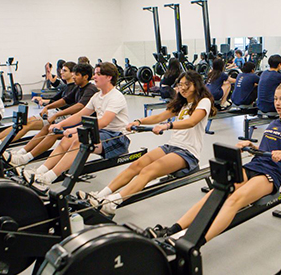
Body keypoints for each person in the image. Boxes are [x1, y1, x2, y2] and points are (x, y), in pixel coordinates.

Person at [147, 81, 281, 241]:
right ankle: (173, 229)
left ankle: (193, 241)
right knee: (216, 193)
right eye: (276, 99)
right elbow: (264, 149)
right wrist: (251, 145)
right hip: (253, 165)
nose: (277, 103)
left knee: (234, 200)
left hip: (270, 174)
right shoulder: (274, 122)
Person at [78, 71, 216, 215]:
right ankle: (101, 195)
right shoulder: (182, 104)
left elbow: (192, 122)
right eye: (180, 84)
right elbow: (159, 116)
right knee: (136, 165)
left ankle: (113, 203)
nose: (183, 88)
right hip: (171, 146)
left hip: (187, 152)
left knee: (148, 171)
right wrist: (138, 121)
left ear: (196, 85)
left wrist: (167, 126)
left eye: (187, 84)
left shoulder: (203, 102)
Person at [23, 62, 130, 187]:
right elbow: (80, 114)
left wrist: (74, 130)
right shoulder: (97, 96)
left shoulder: (116, 97)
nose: (94, 77)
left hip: (116, 137)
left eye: (98, 74)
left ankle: (48, 178)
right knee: (66, 140)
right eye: (94, 74)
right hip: (100, 133)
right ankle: (39, 172)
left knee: (79, 141)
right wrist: (61, 124)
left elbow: (103, 122)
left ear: (109, 77)